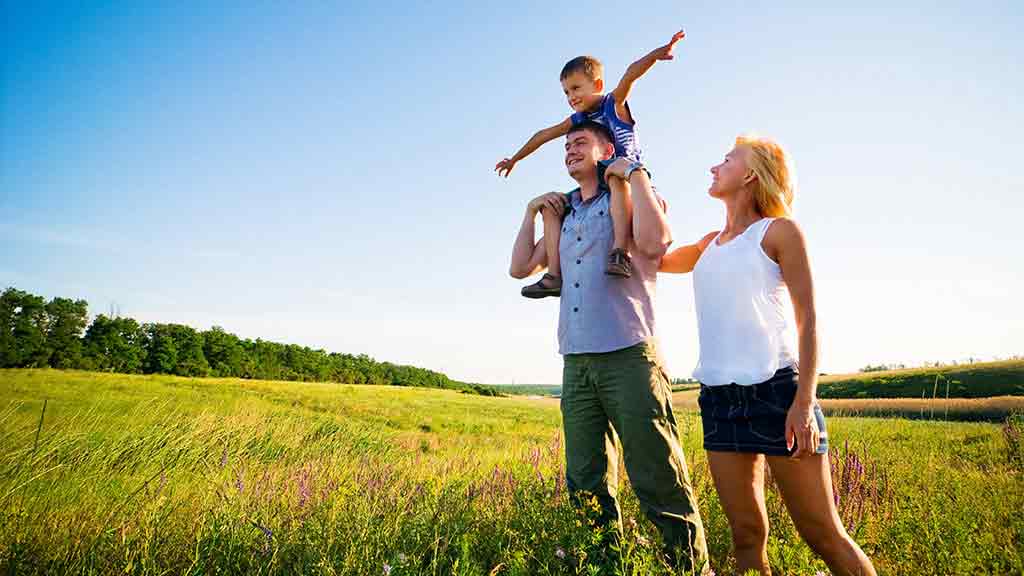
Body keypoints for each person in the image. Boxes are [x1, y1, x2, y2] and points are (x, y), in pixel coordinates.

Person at [659, 135, 877, 576]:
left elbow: (808, 320)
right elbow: (652, 259)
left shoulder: (779, 232)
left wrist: (803, 403)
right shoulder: (706, 245)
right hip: (719, 400)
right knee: (745, 534)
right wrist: (637, 193)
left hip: (778, 395)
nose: (713, 167)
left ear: (751, 175)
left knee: (822, 533)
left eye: (725, 160)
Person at [508, 120, 709, 573]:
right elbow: (520, 267)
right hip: (576, 360)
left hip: (629, 354)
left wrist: (635, 174)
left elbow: (657, 243)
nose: (569, 150)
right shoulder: (567, 214)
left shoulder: (629, 197)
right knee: (584, 479)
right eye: (565, 146)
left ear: (605, 149)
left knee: (657, 471)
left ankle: (690, 567)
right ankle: (603, 566)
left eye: (579, 142)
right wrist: (530, 212)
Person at [497, 30, 686, 297]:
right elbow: (543, 134)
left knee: (614, 177)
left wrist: (657, 55)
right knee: (553, 207)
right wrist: (516, 158)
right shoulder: (576, 120)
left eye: (576, 88)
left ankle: (619, 251)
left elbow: (630, 74)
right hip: (597, 184)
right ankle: (554, 275)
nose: (571, 97)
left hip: (625, 174)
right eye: (565, 92)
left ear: (596, 85)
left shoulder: (613, 104)